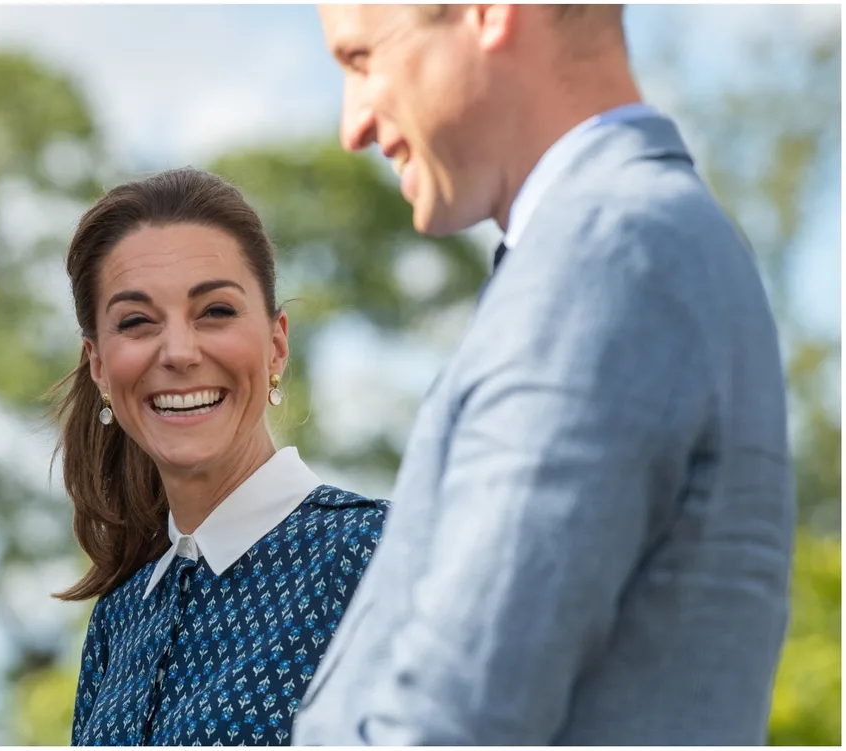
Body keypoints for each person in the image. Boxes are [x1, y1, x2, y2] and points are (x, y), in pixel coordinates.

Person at [294, 4, 795, 745]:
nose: (354, 124)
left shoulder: (605, 255)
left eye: (362, 58)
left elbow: (452, 717)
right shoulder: (629, 242)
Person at [52, 168, 387, 746]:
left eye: (215, 311)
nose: (179, 352)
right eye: (136, 322)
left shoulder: (379, 555)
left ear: (277, 342)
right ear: (99, 366)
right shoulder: (117, 621)